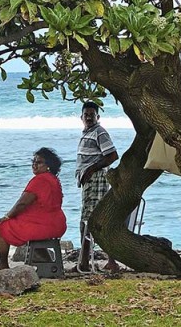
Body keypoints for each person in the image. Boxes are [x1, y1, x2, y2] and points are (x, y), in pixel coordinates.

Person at [0, 147, 67, 270]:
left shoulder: (40, 180)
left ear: (48, 165)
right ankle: (47, 262)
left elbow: (22, 203)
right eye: (33, 161)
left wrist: (7, 216)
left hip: (44, 225)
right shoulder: (54, 179)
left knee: (0, 227)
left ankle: (3, 265)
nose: (34, 165)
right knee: (25, 227)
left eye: (38, 162)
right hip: (57, 224)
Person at [76, 101, 119, 272]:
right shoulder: (88, 133)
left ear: (97, 117)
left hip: (96, 180)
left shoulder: (99, 132)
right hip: (89, 181)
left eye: (92, 115)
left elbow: (112, 155)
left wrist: (91, 169)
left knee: (89, 221)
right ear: (81, 117)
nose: (88, 117)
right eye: (86, 114)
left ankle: (88, 262)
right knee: (93, 220)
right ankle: (88, 261)